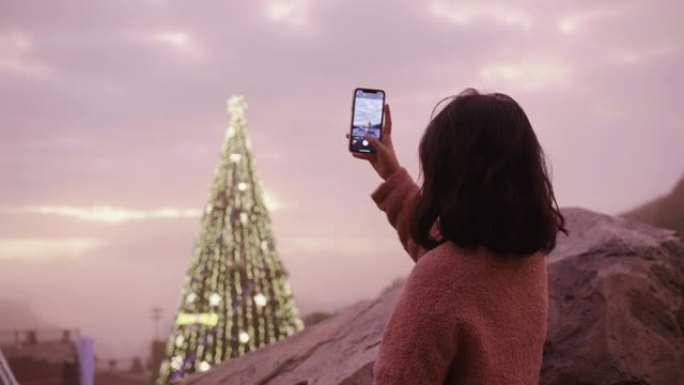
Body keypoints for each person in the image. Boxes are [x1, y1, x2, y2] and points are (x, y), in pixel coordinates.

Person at [348, 88, 566, 385]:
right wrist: (392, 173)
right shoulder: (527, 256)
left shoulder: (442, 278)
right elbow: (448, 255)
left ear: (449, 174)